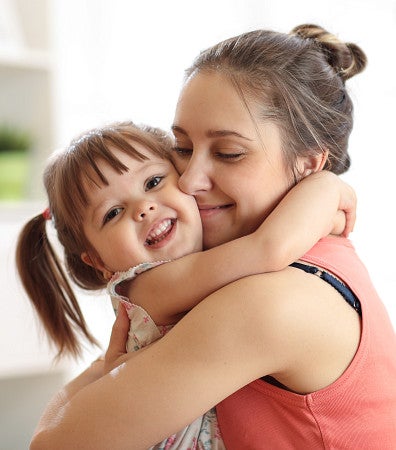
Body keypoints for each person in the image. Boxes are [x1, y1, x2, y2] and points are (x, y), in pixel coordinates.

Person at [28, 24, 396, 449]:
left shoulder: (268, 302)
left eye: (228, 153)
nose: (189, 180)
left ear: (310, 164)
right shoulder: (311, 257)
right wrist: (326, 190)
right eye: (181, 149)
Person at [17, 120, 353, 450]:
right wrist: (325, 190)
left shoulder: (212, 264)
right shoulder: (148, 284)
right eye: (113, 213)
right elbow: (267, 248)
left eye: (153, 181)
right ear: (99, 262)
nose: (143, 208)